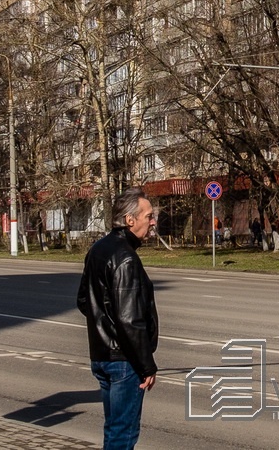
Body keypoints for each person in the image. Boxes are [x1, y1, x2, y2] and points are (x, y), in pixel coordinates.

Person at [78, 188, 159, 450]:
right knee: (123, 434)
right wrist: (147, 366)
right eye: (149, 216)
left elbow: (83, 301)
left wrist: (104, 324)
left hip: (101, 356)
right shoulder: (126, 258)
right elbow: (130, 320)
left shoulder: (99, 248)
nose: (153, 221)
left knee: (113, 430)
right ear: (130, 220)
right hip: (124, 362)